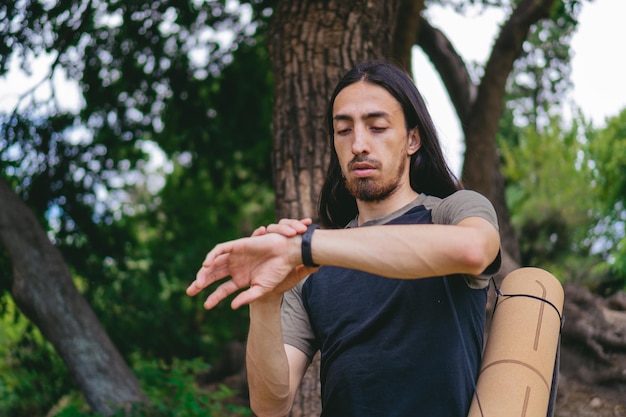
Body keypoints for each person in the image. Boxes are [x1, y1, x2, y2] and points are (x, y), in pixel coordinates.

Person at [187, 60, 501, 417]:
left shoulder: (453, 211)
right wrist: (265, 300)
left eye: (377, 127)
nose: (359, 145)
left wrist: (305, 247)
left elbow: (475, 250)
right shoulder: (308, 270)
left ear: (412, 139)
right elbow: (270, 404)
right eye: (344, 130)